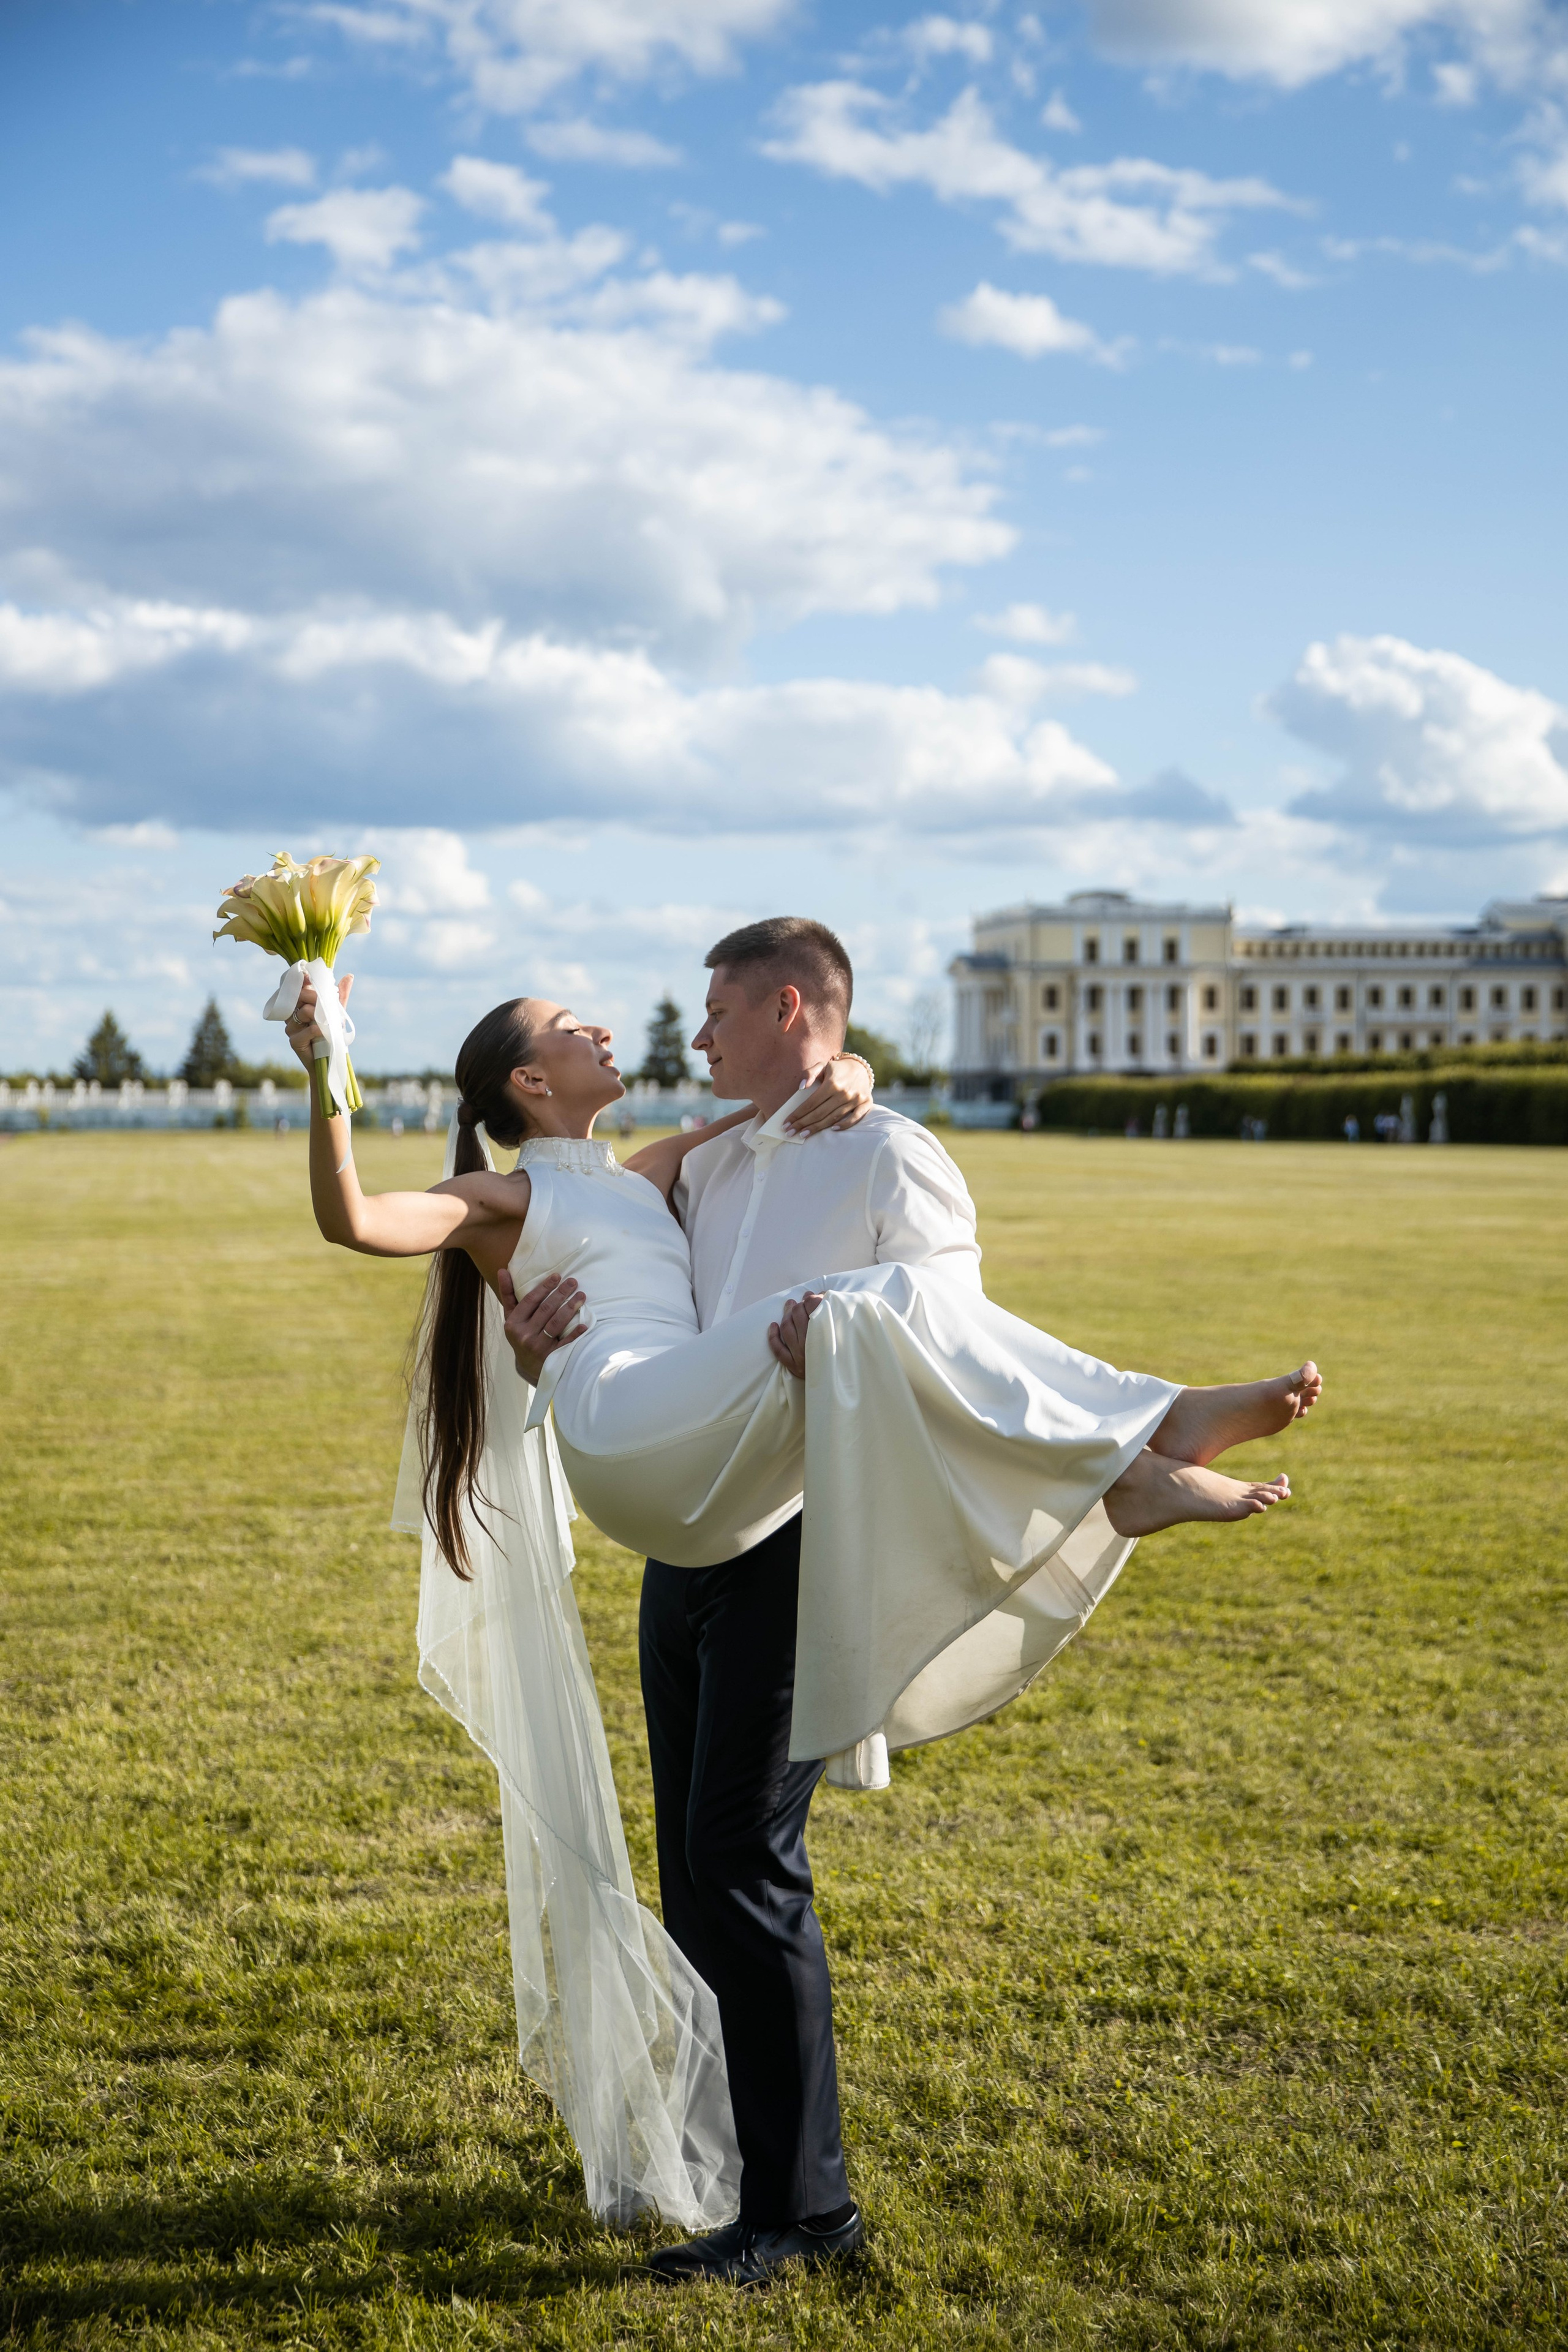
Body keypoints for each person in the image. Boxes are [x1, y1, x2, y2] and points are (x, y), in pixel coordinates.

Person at [279, 952, 1321, 2280]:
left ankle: (775, 2198)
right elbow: (357, 1220)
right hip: (629, 1426)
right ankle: (1139, 1442)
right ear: (530, 1084)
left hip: (708, 1470)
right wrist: (328, 1068)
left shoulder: (659, 1167)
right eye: (568, 1026)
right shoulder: (510, 1190)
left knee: (716, 1863)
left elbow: (791, 1098)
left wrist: (852, 1067)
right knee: (866, 1311)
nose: (612, 1027)